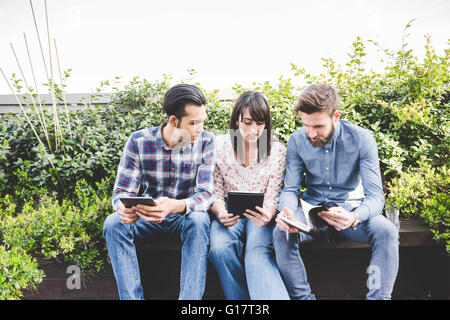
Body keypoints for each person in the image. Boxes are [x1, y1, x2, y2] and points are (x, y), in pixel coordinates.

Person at [274, 83, 399, 300]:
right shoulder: (296, 140)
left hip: (351, 213)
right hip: (312, 214)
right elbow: (291, 189)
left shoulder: (362, 139)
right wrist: (286, 212)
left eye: (318, 127)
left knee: (387, 231)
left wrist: (354, 216)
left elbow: (376, 196)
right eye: (306, 125)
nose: (311, 133)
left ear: (336, 116)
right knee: (280, 233)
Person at [103, 84, 215, 300]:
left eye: (202, 121)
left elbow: (206, 194)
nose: (200, 128)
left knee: (200, 220)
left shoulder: (206, 141)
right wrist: (123, 208)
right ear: (173, 121)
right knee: (113, 223)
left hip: (183, 217)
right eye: (194, 123)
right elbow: (122, 192)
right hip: (147, 217)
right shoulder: (139, 141)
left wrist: (177, 205)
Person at [208, 91, 290, 300]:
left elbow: (273, 194)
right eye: (248, 122)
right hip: (228, 208)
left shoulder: (276, 150)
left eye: (260, 123)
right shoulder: (220, 146)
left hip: (260, 210)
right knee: (219, 249)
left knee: (257, 255)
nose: (254, 130)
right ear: (237, 120)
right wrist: (220, 212)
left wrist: (269, 214)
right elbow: (214, 191)